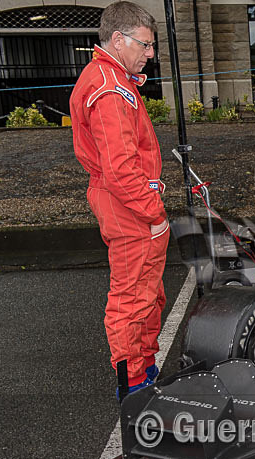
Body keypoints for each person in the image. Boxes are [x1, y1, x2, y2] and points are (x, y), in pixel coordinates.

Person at [70, 1, 167, 398]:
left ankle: (143, 367)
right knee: (133, 296)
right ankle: (132, 384)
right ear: (117, 39)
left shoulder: (112, 77)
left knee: (147, 290)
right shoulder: (109, 88)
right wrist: (154, 211)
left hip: (124, 200)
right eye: (145, 45)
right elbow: (121, 168)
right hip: (127, 204)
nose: (151, 54)